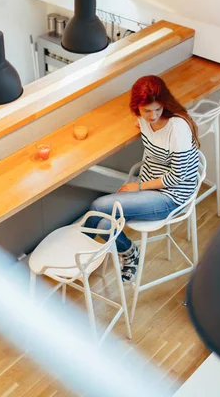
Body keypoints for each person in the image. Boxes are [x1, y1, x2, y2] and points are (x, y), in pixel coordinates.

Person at [84, 75, 200, 283]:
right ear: (137, 107)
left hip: (172, 194)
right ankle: (127, 251)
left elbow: (178, 176)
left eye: (158, 109)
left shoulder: (177, 128)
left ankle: (82, 255)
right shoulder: (143, 120)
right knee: (103, 225)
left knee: (97, 206)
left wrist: (138, 187)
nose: (153, 115)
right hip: (149, 185)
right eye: (146, 110)